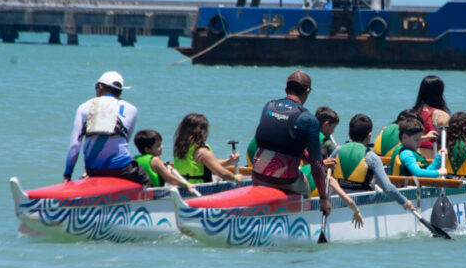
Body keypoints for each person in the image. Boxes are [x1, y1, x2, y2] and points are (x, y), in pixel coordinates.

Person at [251, 71, 331, 216]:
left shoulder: (268, 106)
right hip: (285, 181)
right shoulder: (308, 119)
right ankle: (302, 222)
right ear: (307, 91)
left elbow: (283, 144)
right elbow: (316, 164)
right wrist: (323, 198)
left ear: (286, 89)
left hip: (256, 175)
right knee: (305, 184)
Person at [63, 71, 149, 185]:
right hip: (122, 169)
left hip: (93, 169)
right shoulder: (131, 109)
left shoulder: (84, 107)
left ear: (100, 86)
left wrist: (68, 175)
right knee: (145, 178)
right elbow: (125, 141)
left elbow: (75, 145)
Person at [330, 113, 416, 211]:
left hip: (338, 201)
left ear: (349, 134)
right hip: (362, 204)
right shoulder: (371, 158)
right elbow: (387, 188)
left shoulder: (338, 151)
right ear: (369, 135)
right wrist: (404, 201)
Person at [173, 113, 241, 184]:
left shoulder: (180, 148)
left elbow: (210, 163)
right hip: (200, 191)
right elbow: (222, 174)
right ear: (202, 132)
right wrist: (236, 178)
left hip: (182, 189)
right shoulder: (203, 153)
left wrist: (230, 161)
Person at [133, 129, 198, 194]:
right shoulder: (155, 160)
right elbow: (169, 178)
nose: (162, 147)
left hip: (144, 195)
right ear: (147, 149)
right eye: (158, 146)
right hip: (156, 195)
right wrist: (186, 185)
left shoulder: (135, 159)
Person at [411, 75, 451, 160]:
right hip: (432, 160)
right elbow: (448, 142)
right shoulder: (442, 116)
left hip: (413, 157)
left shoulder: (411, 113)